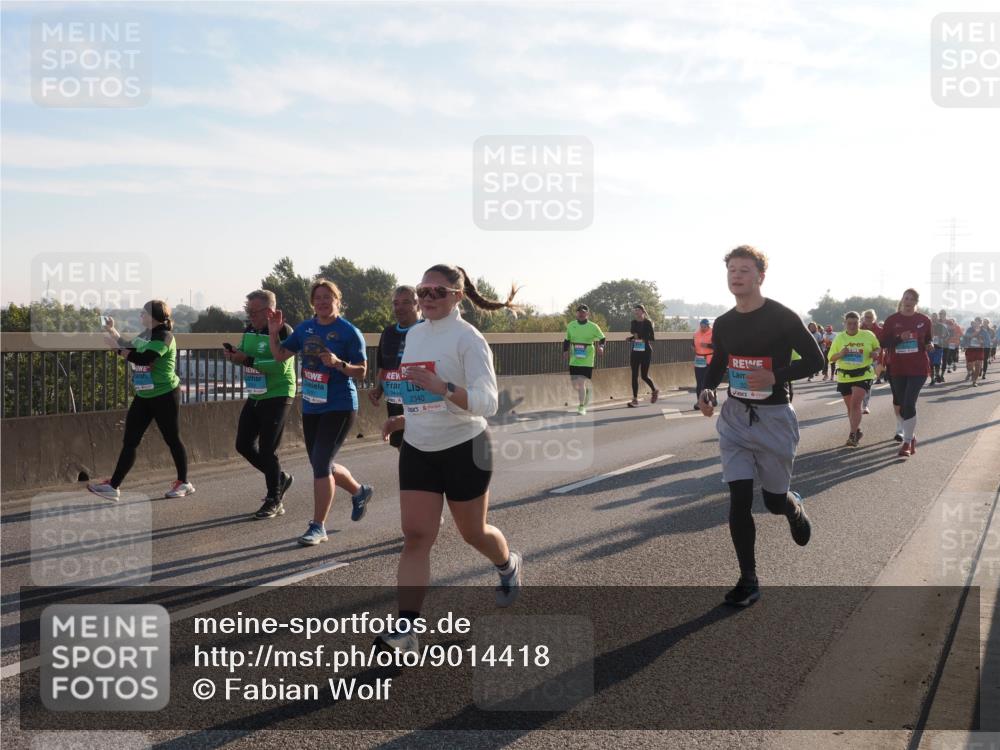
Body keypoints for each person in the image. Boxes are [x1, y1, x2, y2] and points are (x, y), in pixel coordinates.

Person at [376, 264, 522, 655]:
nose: (426, 299)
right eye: (423, 291)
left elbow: (488, 403)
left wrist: (443, 387)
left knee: (473, 533)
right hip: (419, 448)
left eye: (437, 292)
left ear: (458, 296)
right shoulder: (416, 335)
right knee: (417, 536)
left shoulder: (469, 340)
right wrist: (405, 416)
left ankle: (507, 564)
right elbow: (422, 394)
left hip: (464, 447)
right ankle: (406, 629)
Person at [698, 245, 824, 607]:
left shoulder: (782, 317)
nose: (736, 276)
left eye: (744, 270)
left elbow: (815, 359)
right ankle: (748, 579)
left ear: (760, 277)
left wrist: (775, 374)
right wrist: (705, 391)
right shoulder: (724, 323)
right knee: (738, 498)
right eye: (731, 271)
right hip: (736, 416)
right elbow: (718, 363)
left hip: (774, 418)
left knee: (771, 501)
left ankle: (793, 507)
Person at [266, 280, 374, 545]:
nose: (323, 302)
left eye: (328, 297)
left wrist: (339, 364)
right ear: (312, 302)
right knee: (319, 463)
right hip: (313, 403)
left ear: (338, 300)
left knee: (322, 463)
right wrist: (272, 332)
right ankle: (359, 491)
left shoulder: (349, 331)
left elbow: (362, 371)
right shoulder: (305, 328)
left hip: (340, 404)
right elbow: (280, 355)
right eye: (318, 298)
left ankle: (318, 527)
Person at [88, 301, 195, 501]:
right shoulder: (146, 334)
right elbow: (131, 347)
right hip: (144, 394)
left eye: (142, 313)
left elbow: (145, 358)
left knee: (172, 439)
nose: (140, 316)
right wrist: (113, 332)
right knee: (130, 441)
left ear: (153, 316)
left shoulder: (164, 336)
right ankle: (113, 486)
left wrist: (117, 351)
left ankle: (184, 482)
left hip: (165, 395)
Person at [222, 290, 296, 519]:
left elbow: (279, 366)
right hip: (257, 393)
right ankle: (279, 478)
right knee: (243, 444)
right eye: (248, 311)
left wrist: (248, 360)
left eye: (253, 312)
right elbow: (246, 356)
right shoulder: (249, 330)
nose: (250, 316)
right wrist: (235, 356)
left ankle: (274, 499)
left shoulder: (284, 332)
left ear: (269, 311)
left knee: (267, 448)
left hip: (279, 393)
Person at [879, 289, 933, 458]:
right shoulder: (892, 320)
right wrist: (899, 339)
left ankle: (907, 442)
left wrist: (929, 344)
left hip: (918, 368)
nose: (908, 301)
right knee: (902, 405)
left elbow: (928, 339)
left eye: (912, 299)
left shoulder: (924, 320)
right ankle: (911, 435)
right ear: (901, 300)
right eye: (906, 298)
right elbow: (883, 343)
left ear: (916, 302)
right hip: (898, 367)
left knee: (909, 403)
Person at [369, 286, 423, 448]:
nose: (400, 308)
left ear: (417, 305)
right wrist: (378, 389)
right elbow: (383, 367)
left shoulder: (427, 330)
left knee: (421, 452)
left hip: (421, 405)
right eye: (396, 303)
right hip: (394, 405)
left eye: (406, 302)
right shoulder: (387, 333)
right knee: (401, 448)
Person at [828, 311, 881, 447]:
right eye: (849, 323)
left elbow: (877, 347)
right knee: (850, 407)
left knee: (855, 404)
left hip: (863, 374)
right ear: (844, 323)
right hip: (845, 376)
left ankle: (852, 436)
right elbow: (830, 358)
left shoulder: (868, 335)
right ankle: (857, 431)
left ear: (859, 323)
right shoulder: (839, 338)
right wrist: (840, 354)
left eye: (855, 323)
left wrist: (875, 353)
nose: (852, 326)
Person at [563, 305, 606, 415]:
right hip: (574, 358)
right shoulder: (571, 325)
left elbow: (602, 338)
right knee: (575, 384)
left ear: (587, 314)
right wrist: (565, 351)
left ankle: (582, 406)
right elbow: (567, 340)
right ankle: (586, 393)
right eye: (579, 312)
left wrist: (601, 347)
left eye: (583, 312)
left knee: (581, 382)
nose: (581, 314)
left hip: (587, 358)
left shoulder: (593, 326)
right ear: (576, 313)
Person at [627, 304, 659, 407]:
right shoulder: (634, 322)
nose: (636, 312)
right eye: (635, 310)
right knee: (634, 375)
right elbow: (634, 334)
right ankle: (635, 399)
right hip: (636, 351)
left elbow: (652, 338)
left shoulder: (648, 323)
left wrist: (642, 338)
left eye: (638, 310)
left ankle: (654, 390)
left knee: (644, 376)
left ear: (643, 311)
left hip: (645, 352)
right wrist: (631, 338)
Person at [859, 309, 883, 410]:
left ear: (874, 319)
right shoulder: (858, 329)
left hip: (874, 360)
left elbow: (882, 345)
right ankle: (857, 402)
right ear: (863, 318)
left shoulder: (880, 330)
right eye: (866, 317)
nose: (868, 319)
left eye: (870, 317)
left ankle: (865, 405)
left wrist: (876, 353)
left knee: (868, 382)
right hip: (859, 359)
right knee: (859, 383)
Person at [692, 318, 715, 408]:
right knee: (699, 382)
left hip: (709, 359)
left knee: (708, 381)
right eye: (701, 326)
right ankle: (699, 402)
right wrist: (693, 347)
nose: (702, 328)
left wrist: (708, 345)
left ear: (708, 325)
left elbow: (718, 346)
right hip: (699, 359)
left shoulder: (714, 333)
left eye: (704, 326)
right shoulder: (696, 333)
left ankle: (712, 396)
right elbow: (693, 343)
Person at [962, 317, 986, 387]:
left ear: (980, 323)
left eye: (978, 322)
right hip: (971, 349)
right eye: (976, 322)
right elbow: (965, 336)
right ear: (974, 322)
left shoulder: (983, 331)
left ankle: (974, 381)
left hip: (979, 349)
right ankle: (972, 372)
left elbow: (987, 340)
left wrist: (982, 341)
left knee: (978, 366)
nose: (977, 323)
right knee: (969, 365)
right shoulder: (969, 329)